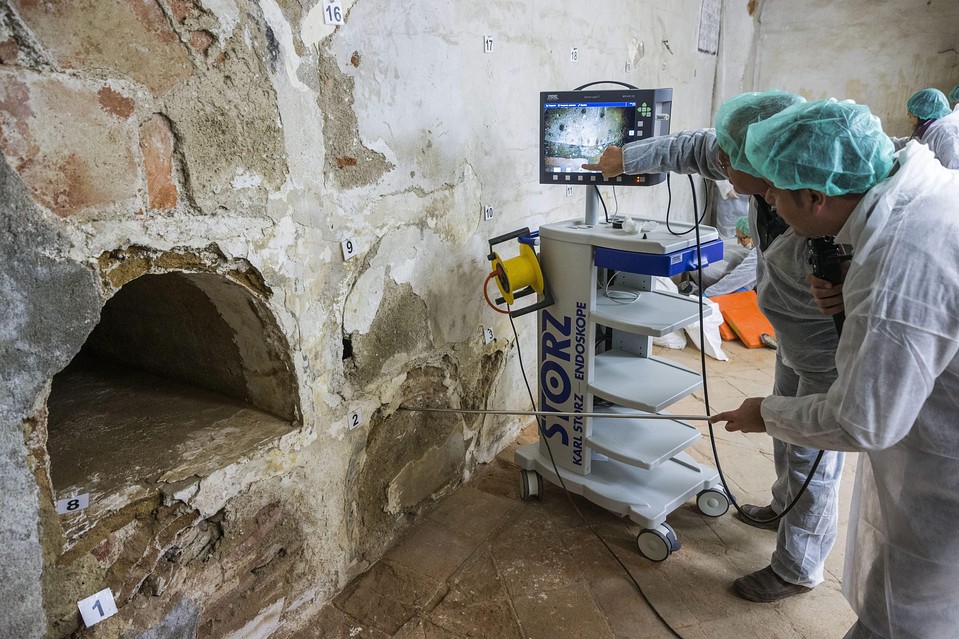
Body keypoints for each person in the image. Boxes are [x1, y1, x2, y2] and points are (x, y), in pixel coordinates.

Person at [582, 90, 846, 603]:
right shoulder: (756, 166)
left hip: (824, 349)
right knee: (786, 445)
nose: (718, 164)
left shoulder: (821, 202)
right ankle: (782, 508)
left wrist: (853, 284)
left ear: (767, 167)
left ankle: (797, 568)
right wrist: (625, 159)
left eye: (728, 160)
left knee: (812, 454)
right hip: (790, 337)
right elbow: (692, 146)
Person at [710, 98, 959, 639]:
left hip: (946, 471)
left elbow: (863, 420)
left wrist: (765, 413)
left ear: (816, 196)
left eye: (775, 190)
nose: (767, 198)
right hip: (932, 422)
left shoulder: (898, 262)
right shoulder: (917, 191)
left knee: (909, 617)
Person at [898, 88, 959, 168]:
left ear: (921, 115)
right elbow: (908, 143)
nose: (910, 121)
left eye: (910, 116)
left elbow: (954, 168)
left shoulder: (945, 133)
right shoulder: (928, 130)